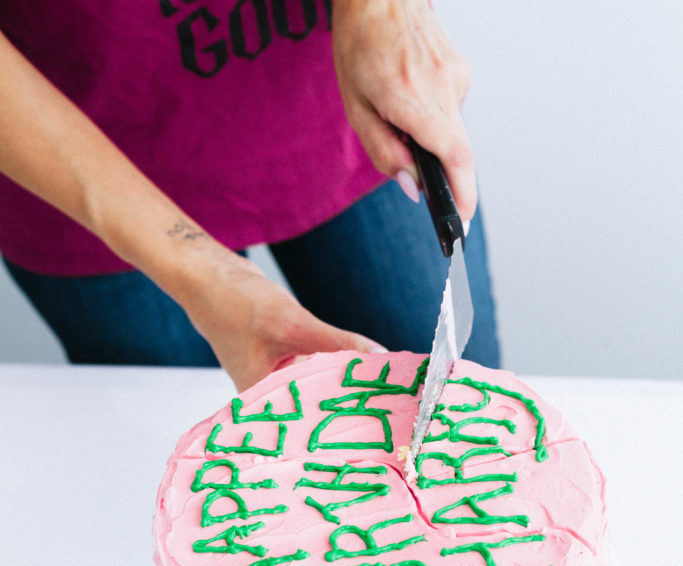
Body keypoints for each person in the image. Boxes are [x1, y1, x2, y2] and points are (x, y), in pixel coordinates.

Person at [0, 0, 498, 393]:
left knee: (465, 417)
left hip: (343, 97)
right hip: (73, 148)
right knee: (182, 445)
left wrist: (383, 8)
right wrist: (197, 272)